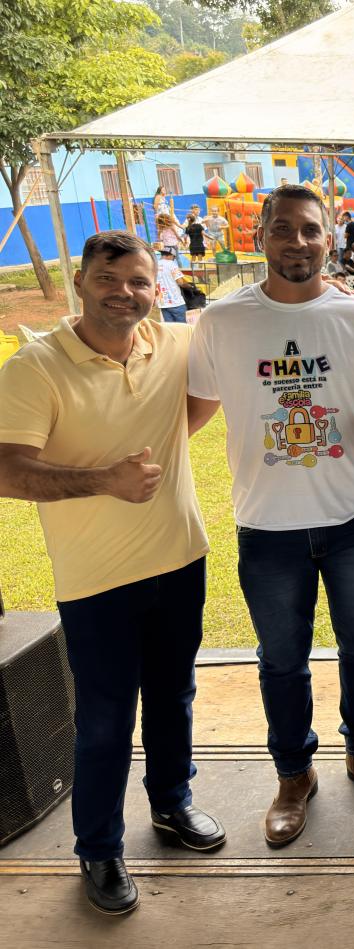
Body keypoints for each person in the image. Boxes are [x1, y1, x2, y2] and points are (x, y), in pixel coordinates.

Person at [187, 184, 354, 847]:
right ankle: (294, 774)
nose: (297, 242)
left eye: (311, 230)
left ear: (331, 235)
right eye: (283, 229)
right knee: (282, 659)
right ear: (259, 234)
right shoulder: (220, 323)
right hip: (267, 525)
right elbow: (188, 412)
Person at [0, 230, 225, 916]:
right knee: (102, 719)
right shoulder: (35, 368)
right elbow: (6, 468)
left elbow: (216, 375)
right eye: (109, 278)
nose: (123, 292)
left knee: (174, 694)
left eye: (138, 281)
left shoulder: (171, 342)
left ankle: (172, 803)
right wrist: (106, 480)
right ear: (80, 282)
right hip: (96, 582)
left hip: (180, 558)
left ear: (154, 286)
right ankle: (98, 847)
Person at [155, 245, 189, 323]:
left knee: (170, 328)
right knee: (182, 328)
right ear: (170, 255)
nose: (173, 259)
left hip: (162, 303)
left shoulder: (154, 265)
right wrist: (189, 286)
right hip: (175, 302)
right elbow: (180, 282)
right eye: (174, 258)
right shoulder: (171, 264)